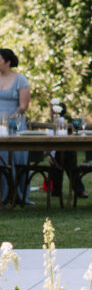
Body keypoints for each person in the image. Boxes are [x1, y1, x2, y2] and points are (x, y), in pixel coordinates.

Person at [0, 48, 31, 204]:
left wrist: (12, 117)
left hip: (14, 125)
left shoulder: (20, 80)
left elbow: (23, 106)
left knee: (15, 159)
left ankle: (17, 194)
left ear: (8, 62)